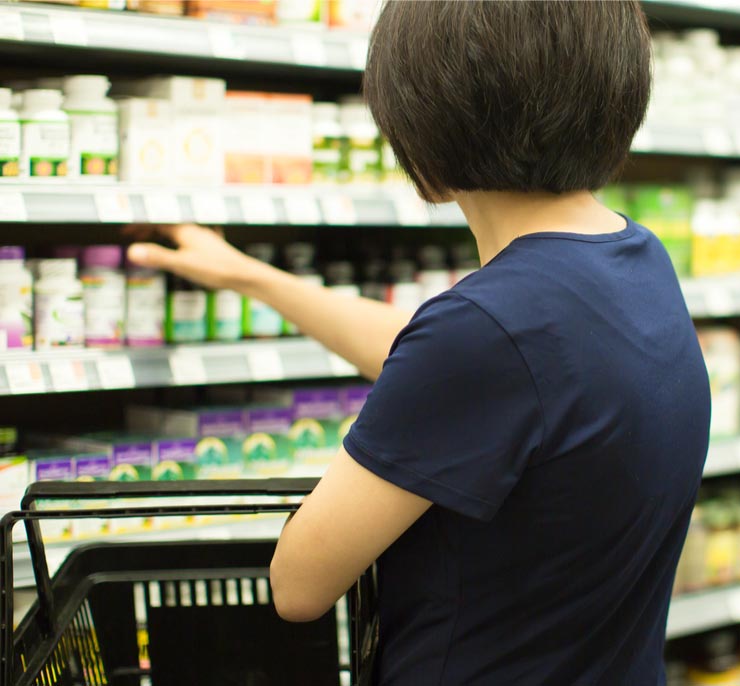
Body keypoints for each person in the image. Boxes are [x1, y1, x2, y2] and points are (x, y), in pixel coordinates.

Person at [126, 2, 710, 684]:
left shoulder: (486, 331)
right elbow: (470, 363)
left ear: (426, 128)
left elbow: (299, 585)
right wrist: (248, 276)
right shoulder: (636, 261)